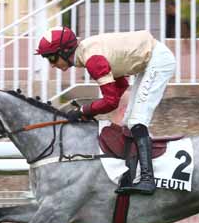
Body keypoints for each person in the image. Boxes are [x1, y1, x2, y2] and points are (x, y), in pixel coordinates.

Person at [35, 26, 176, 196]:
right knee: (129, 122)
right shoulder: (88, 54)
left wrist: (83, 111)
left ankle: (147, 179)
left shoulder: (92, 60)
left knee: (137, 121)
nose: (51, 64)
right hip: (149, 61)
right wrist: (87, 111)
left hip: (157, 61)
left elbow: (110, 102)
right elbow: (121, 86)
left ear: (65, 51)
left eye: (51, 57)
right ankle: (132, 175)